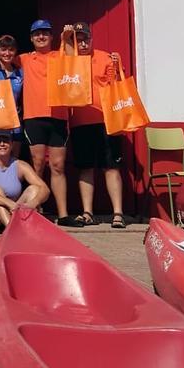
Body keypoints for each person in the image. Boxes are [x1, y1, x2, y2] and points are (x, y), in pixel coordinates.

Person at [65, 22, 126, 228]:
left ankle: (118, 213)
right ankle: (87, 212)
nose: (83, 44)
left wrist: (117, 65)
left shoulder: (105, 58)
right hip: (79, 122)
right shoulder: (69, 61)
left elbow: (116, 84)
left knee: (111, 168)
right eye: (79, 40)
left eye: (86, 39)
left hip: (106, 121)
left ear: (91, 40)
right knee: (85, 168)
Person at [19, 19, 76, 226]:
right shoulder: (24, 58)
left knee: (58, 165)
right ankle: (36, 209)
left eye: (45, 33)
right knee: (37, 164)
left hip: (58, 116)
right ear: (31, 38)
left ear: (51, 37)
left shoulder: (59, 54)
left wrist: (67, 39)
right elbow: (3, 58)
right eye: (37, 34)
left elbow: (73, 61)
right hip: (34, 116)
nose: (41, 37)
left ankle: (63, 214)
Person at [0, 130, 49, 227]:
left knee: (34, 189)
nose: (2, 144)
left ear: (12, 145)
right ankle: (13, 228)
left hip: (13, 210)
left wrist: (33, 203)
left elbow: (45, 189)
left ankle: (23, 225)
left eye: (6, 141)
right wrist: (9, 203)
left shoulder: (20, 165)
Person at [0, 35, 24, 161]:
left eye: (11, 49)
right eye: (3, 49)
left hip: (15, 123)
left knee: (14, 160)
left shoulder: (20, 72)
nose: (7, 53)